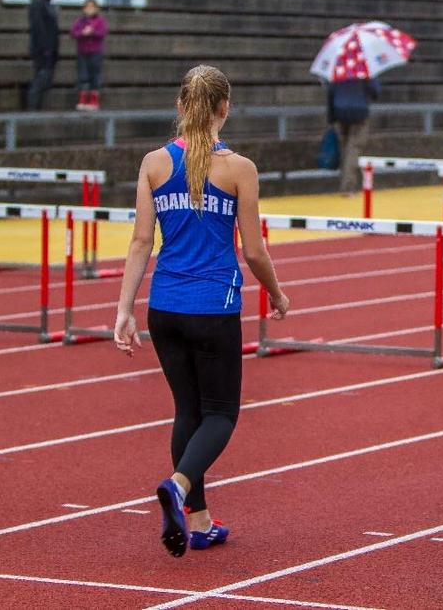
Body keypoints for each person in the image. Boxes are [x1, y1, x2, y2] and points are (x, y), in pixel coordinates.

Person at [113, 65, 289, 557]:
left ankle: (200, 521)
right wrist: (276, 293)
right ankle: (178, 484)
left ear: (179, 105)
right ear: (224, 107)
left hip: (163, 307)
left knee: (187, 410)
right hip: (213, 306)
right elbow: (254, 251)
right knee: (220, 414)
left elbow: (140, 242)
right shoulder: (238, 169)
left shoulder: (152, 163)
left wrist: (124, 309)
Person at [327, 77, 380, 193]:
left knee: (344, 147)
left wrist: (331, 117)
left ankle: (344, 180)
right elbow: (375, 91)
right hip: (359, 112)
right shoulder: (365, 71)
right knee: (354, 147)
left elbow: (330, 93)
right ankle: (348, 186)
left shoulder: (338, 71)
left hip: (339, 111)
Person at [27, 0, 59, 110]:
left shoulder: (45, 3)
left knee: (45, 81)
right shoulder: (39, 3)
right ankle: (33, 108)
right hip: (43, 50)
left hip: (49, 49)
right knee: (41, 79)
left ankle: (37, 108)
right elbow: (38, 27)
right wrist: (45, 47)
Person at [70, 0, 107, 110]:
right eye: (87, 7)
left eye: (92, 7)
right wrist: (82, 33)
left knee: (95, 76)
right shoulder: (80, 21)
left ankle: (93, 101)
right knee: (83, 76)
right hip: (83, 52)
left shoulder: (100, 21)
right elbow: (73, 33)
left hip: (95, 53)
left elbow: (102, 33)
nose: (89, 9)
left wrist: (92, 32)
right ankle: (82, 100)